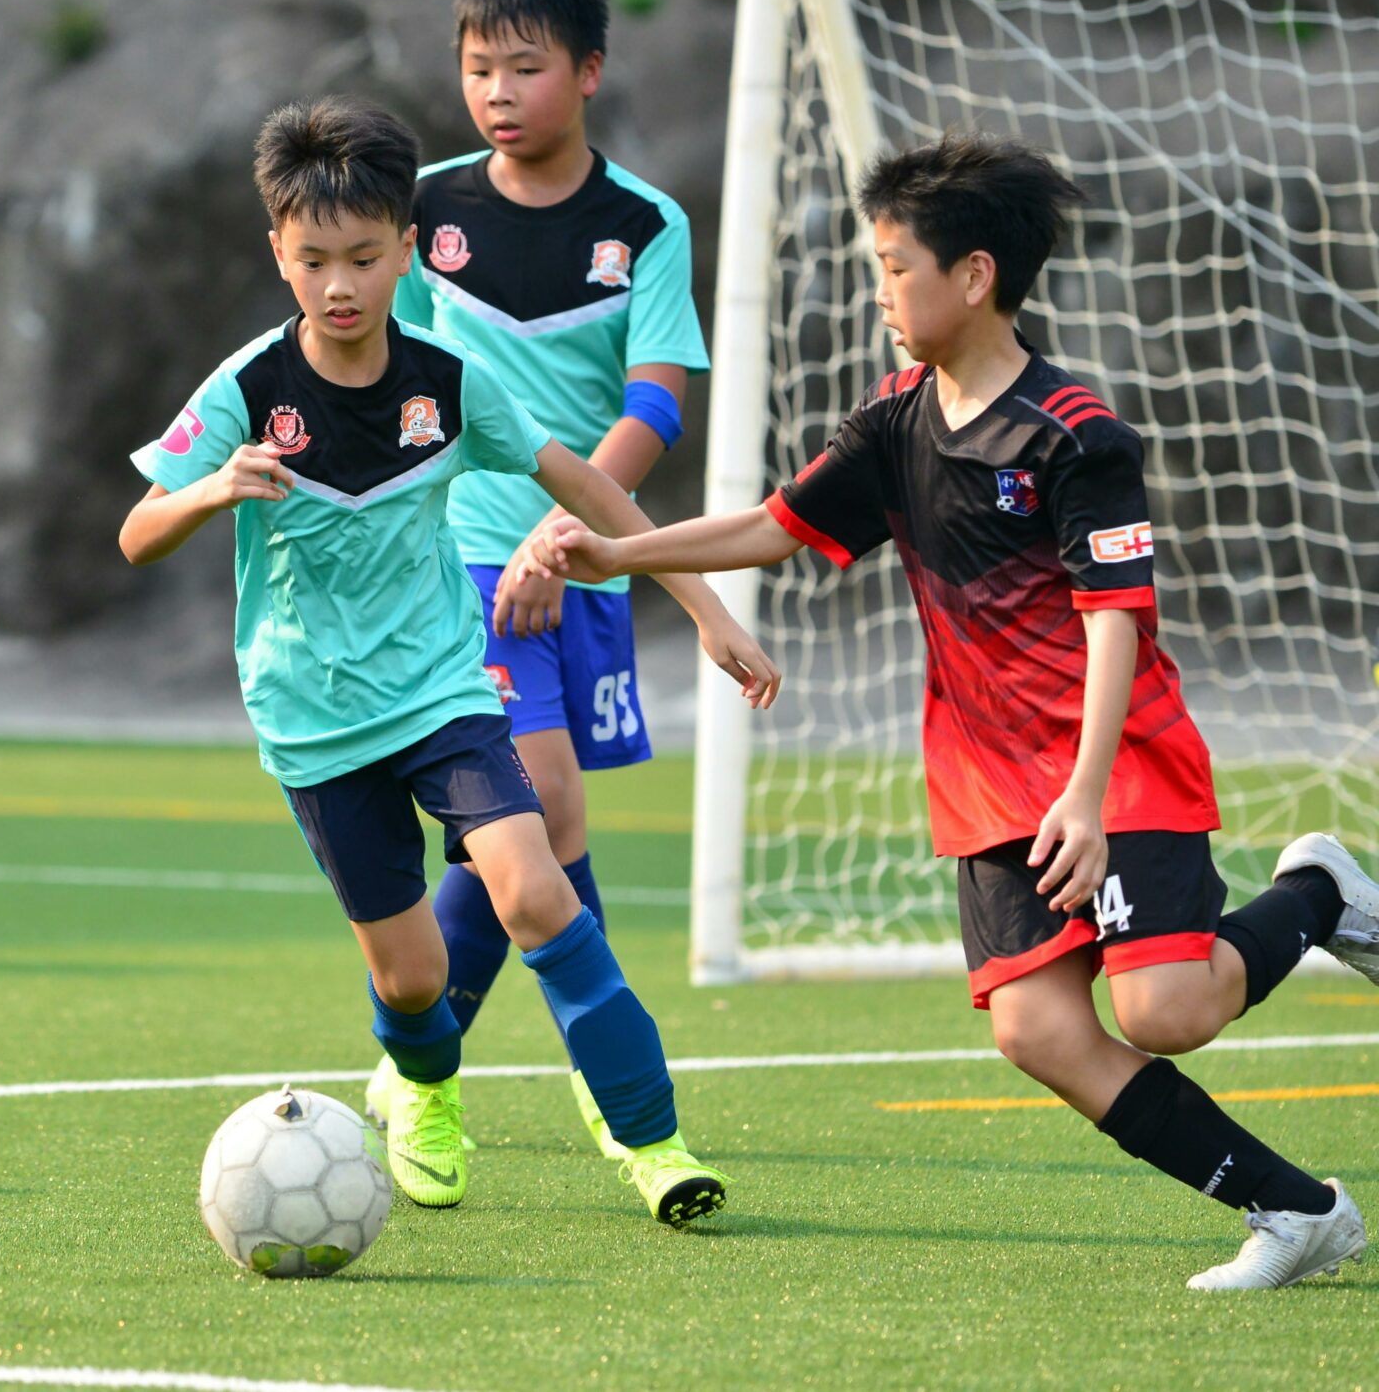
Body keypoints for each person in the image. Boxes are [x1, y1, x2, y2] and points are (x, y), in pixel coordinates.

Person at [532, 128, 1379, 1288]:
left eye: (894, 264)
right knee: (1035, 1030)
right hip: (985, 781)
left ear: (973, 275)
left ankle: (1318, 890)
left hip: (1111, 759)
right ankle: (1297, 1213)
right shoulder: (892, 423)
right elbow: (774, 528)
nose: (879, 287)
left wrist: (1085, 799)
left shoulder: (1076, 436)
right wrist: (618, 556)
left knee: (1166, 1009)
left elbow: (1115, 619)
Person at [120, 96, 778, 1224]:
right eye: (314, 259)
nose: (340, 285)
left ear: (405, 252)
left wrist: (699, 605)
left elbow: (588, 485)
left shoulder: (450, 383)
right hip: (315, 723)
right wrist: (211, 489)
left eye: (365, 258)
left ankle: (655, 1145)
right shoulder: (245, 389)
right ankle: (423, 1089)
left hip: (443, 695)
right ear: (276, 252)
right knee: (414, 979)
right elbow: (136, 531)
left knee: (538, 893)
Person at [383, 0, 712, 1160]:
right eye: (477, 70)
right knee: (544, 802)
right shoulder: (421, 210)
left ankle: (414, 1061)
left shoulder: (646, 223)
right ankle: (598, 1069)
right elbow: (390, 380)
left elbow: (658, 403)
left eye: (525, 67)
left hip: (588, 556)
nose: (497, 91)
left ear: (587, 72)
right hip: (457, 555)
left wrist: (571, 524)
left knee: (519, 835)